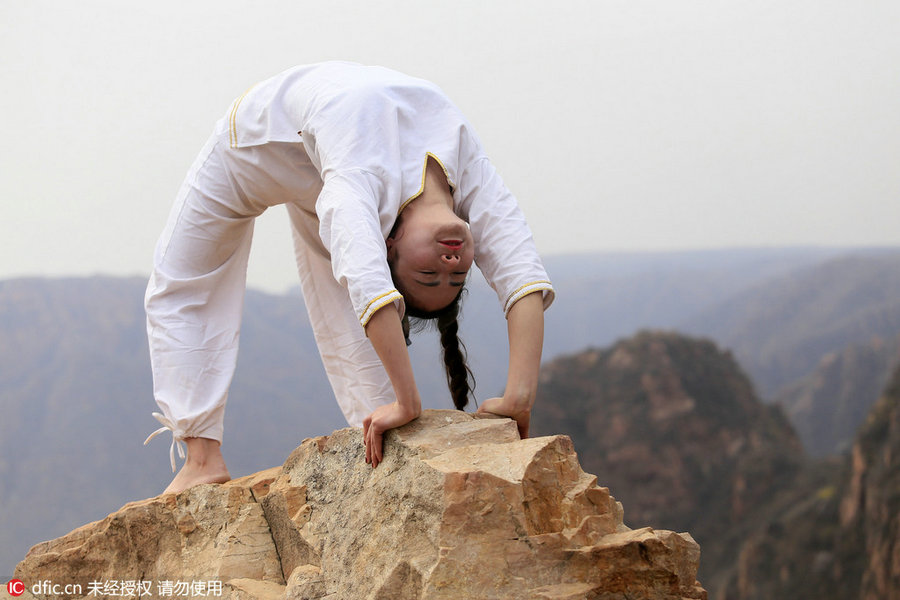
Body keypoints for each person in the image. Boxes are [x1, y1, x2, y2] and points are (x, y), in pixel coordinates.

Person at [143, 62, 554, 494]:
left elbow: (373, 285)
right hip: (254, 146)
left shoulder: (356, 192)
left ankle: (385, 435)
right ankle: (202, 458)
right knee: (184, 283)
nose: (450, 267)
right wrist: (428, 399)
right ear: (388, 244)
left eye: (429, 275)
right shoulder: (455, 166)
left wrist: (516, 396)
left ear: (388, 242)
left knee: (346, 286)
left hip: (331, 156)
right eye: (451, 278)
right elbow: (521, 268)